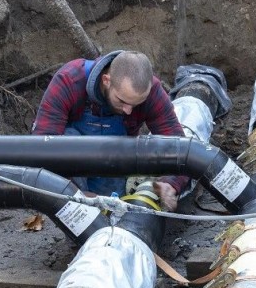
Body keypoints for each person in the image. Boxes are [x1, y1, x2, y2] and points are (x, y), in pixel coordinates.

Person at [31, 50, 188, 211]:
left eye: (135, 104)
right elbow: (42, 147)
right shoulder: (70, 80)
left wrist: (171, 183)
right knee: (67, 139)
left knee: (113, 214)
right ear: (106, 80)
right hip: (70, 167)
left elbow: (180, 148)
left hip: (114, 161)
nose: (128, 110)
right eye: (122, 101)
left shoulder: (151, 91)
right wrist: (75, 193)